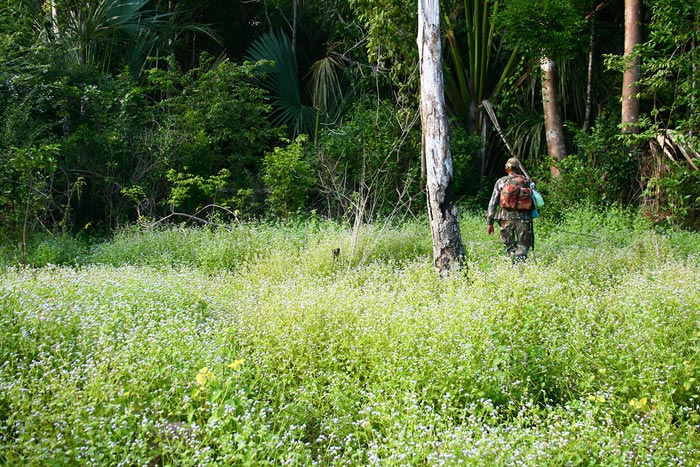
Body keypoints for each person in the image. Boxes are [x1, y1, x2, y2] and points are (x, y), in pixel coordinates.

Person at [486, 157, 534, 262]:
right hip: (523, 219)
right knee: (523, 246)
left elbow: (493, 203)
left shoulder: (501, 182)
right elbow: (535, 202)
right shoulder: (527, 182)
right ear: (518, 168)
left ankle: (511, 268)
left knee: (509, 246)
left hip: (506, 219)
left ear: (506, 169)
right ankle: (520, 268)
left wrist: (490, 223)